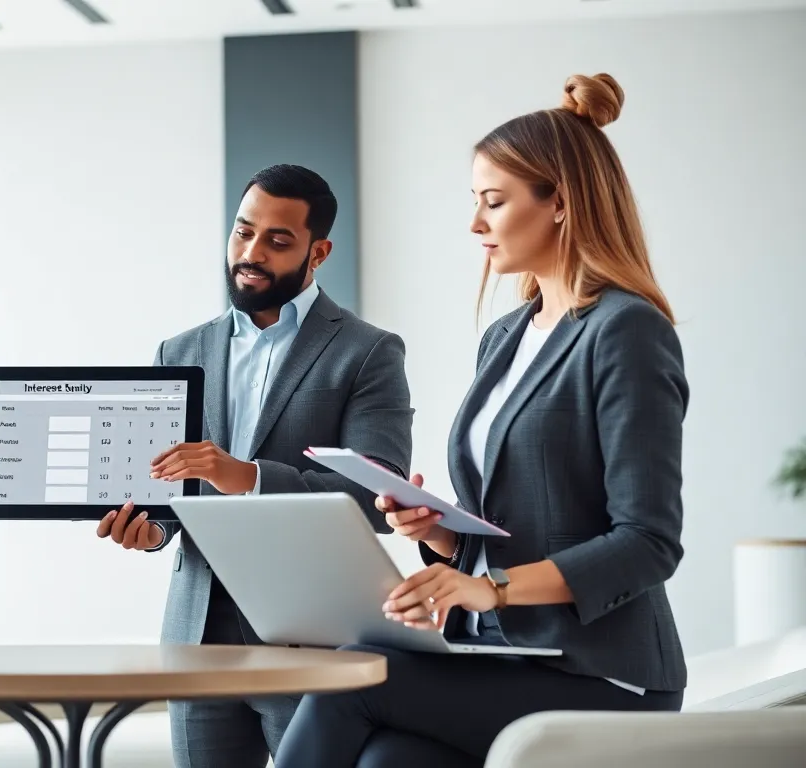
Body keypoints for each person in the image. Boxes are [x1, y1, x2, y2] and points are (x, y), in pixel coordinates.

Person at [272, 73, 688, 768]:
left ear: (561, 202)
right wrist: (439, 533)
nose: (475, 224)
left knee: (355, 675)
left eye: (493, 203)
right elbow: (516, 520)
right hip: (504, 651)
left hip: (602, 674)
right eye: (475, 202)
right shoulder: (506, 336)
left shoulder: (626, 330)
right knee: (388, 761)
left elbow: (648, 541)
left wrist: (490, 588)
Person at [96, 164, 415, 767]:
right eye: (243, 232)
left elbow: (378, 495)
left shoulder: (368, 352)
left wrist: (247, 476)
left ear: (317, 251)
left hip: (311, 634)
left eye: (277, 240)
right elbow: (172, 489)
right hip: (198, 633)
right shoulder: (180, 351)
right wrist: (149, 530)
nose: (251, 252)